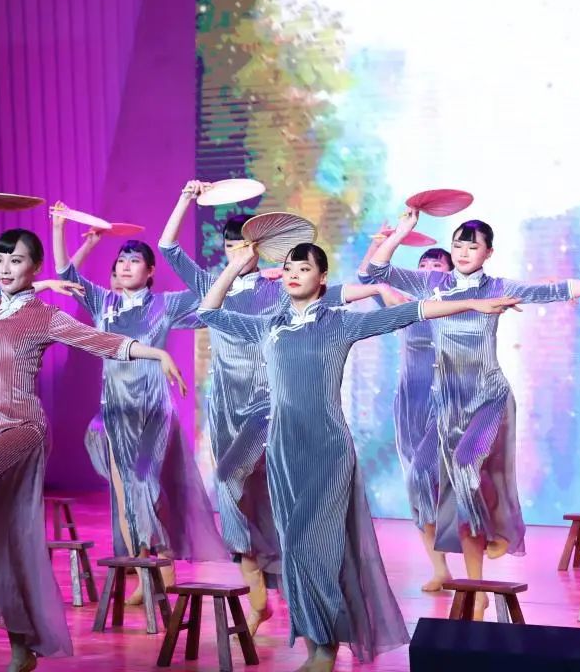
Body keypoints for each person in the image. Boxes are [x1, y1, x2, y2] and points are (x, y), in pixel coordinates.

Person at [199, 241, 520, 671]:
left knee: (318, 546)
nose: (293, 273)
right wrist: (235, 265)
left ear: (322, 279)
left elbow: (413, 312)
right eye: (289, 267)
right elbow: (208, 312)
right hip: (282, 454)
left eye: (304, 268)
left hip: (328, 451)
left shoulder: (339, 324)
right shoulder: (268, 326)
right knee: (294, 549)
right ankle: (315, 642)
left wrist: (475, 303)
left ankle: (327, 643)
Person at [0, 204, 187, 672]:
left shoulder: (44, 316)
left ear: (34, 268)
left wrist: (155, 353)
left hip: (23, 433)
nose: (4, 268)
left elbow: (100, 340)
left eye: (16, 260)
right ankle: (22, 644)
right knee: (5, 538)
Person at [156, 181, 403, 629]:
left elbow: (338, 293)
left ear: (259, 249)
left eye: (243, 246)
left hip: (268, 404)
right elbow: (168, 247)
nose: (236, 252)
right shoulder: (213, 286)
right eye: (229, 246)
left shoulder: (278, 289)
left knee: (236, 478)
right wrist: (184, 198)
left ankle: (303, 580)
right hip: (224, 405)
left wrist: (377, 289)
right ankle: (259, 595)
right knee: (241, 497)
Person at [368, 211, 580, 618]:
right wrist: (400, 233)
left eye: (473, 246)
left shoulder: (500, 287)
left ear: (488, 252)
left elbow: (557, 289)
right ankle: (476, 586)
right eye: (458, 245)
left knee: (465, 469)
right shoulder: (432, 285)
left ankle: (497, 531)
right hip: (446, 404)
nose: (463, 252)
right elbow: (376, 271)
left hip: (488, 399)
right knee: (438, 483)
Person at [53, 207, 223, 603]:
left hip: (151, 412)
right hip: (114, 413)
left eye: (134, 261)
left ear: (150, 271)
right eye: (121, 260)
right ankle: (144, 573)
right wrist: (60, 227)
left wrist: (235, 266)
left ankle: (163, 566)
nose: (125, 266)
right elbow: (65, 275)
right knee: (125, 492)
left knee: (145, 485)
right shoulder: (104, 302)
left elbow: (208, 292)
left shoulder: (165, 304)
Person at [358, 229, 454, 592]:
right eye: (423, 264)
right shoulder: (403, 304)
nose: (428, 270)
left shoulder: (458, 303)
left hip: (446, 401)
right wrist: (378, 242)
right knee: (417, 488)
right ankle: (440, 569)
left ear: (449, 273)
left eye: (437, 265)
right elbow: (367, 278)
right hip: (409, 403)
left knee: (427, 478)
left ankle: (469, 555)